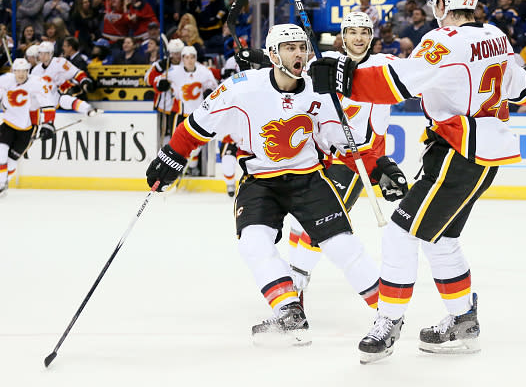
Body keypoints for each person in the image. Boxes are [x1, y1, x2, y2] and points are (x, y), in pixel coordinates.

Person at [308, 0, 526, 363]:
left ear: (440, 4)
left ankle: (388, 321)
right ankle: (462, 321)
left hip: (457, 152)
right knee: (440, 239)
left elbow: (394, 82)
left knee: (399, 234)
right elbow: (523, 88)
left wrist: (341, 76)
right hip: (481, 153)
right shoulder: (497, 38)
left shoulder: (443, 40)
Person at [145, 24, 397, 344]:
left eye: (302, 47)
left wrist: (379, 168)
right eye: (290, 48)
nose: (299, 54)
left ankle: (390, 315)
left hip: (309, 179)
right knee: (253, 242)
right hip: (260, 182)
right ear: (273, 54)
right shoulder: (241, 87)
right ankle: (289, 311)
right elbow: (200, 122)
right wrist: (172, 155)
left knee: (343, 246)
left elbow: (341, 144)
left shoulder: (319, 90)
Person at [287, 12, 408, 303]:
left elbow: (420, 78)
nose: (358, 38)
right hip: (322, 156)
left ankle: (295, 289)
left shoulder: (385, 65)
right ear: (342, 35)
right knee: (299, 221)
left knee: (323, 224)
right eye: (352, 32)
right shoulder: (324, 63)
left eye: (364, 32)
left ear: (372, 36)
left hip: (359, 160)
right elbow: (292, 84)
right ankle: (295, 276)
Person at [0, 58, 56, 196]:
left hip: (27, 128)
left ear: (28, 71)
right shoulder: (5, 80)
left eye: (23, 71)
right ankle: (1, 184)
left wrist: (48, 124)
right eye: (17, 71)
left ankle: (4, 181)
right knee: (1, 151)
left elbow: (48, 104)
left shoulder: (36, 83)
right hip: (8, 123)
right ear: (13, 71)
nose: (20, 74)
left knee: (12, 161)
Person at [161, 44, 218, 176]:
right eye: (186, 57)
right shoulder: (174, 72)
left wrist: (209, 90)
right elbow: (159, 80)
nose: (190, 60)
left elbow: (212, 85)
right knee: (177, 143)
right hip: (180, 114)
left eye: (192, 57)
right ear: (182, 59)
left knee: (196, 144)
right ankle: (177, 169)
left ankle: (191, 167)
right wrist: (161, 84)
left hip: (198, 114)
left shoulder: (204, 71)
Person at [31, 41, 99, 117]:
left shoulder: (60, 62)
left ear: (51, 53)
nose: (42, 56)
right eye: (40, 53)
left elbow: (76, 73)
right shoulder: (35, 70)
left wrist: (84, 80)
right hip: (45, 101)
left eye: (45, 53)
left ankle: (88, 109)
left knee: (65, 99)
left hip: (60, 96)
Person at [144, 38, 184, 144]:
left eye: (179, 53)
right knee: (161, 134)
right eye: (175, 53)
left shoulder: (186, 65)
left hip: (180, 108)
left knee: (177, 135)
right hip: (163, 106)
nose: (177, 56)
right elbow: (147, 80)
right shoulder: (161, 65)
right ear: (170, 53)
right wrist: (157, 71)